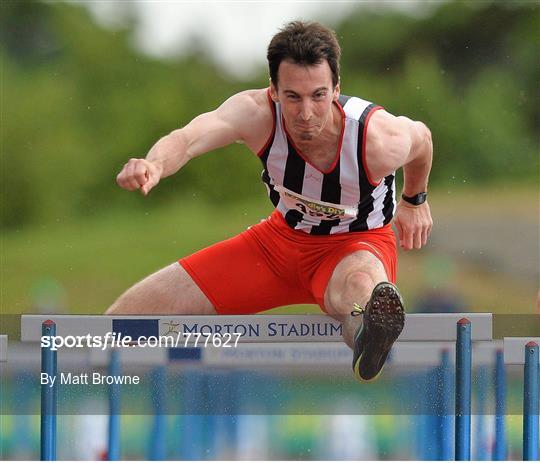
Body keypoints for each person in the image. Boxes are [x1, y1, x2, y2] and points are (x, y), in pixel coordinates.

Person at [106, 21, 433, 382]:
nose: (306, 114)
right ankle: (95, 409)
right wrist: (153, 164)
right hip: (276, 245)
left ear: (336, 88)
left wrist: (414, 200)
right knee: (122, 322)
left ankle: (368, 332)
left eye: (318, 96)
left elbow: (422, 140)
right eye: (293, 97)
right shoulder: (254, 113)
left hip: (356, 245)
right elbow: (186, 139)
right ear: (274, 92)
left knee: (361, 288)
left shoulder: (377, 136)